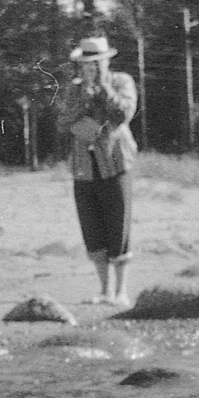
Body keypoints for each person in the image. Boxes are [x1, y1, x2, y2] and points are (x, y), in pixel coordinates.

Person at [68, 35, 138, 306]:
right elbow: (62, 120)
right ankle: (104, 289)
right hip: (83, 167)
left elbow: (124, 114)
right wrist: (81, 104)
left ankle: (121, 292)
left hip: (116, 163)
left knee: (118, 228)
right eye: (87, 63)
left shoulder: (122, 82)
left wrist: (102, 91)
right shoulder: (74, 89)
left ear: (106, 62)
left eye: (97, 63)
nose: (92, 68)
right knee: (92, 230)